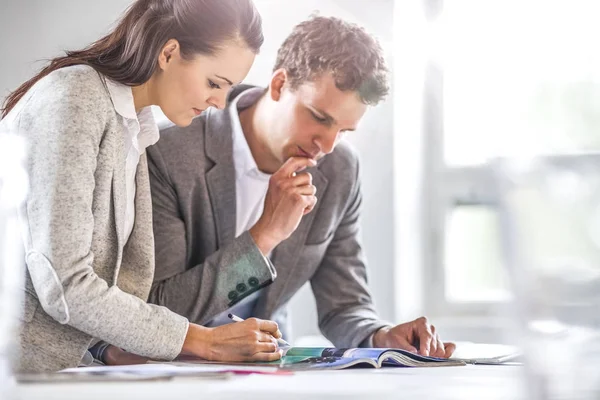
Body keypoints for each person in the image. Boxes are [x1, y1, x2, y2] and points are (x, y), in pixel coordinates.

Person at [144, 16, 456, 358]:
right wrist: (265, 235)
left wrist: (381, 336)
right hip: (176, 369)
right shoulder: (169, 154)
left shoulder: (339, 170)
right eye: (320, 118)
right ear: (279, 85)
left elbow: (345, 305)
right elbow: (158, 309)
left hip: (271, 372)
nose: (327, 145)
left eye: (345, 130)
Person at [0, 0, 284, 373]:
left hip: (53, 370)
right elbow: (63, 282)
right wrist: (201, 341)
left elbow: (102, 284)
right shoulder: (76, 98)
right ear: (169, 52)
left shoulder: (135, 127)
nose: (219, 102)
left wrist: (108, 347)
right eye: (214, 83)